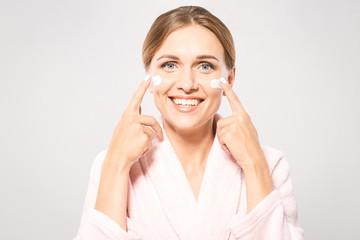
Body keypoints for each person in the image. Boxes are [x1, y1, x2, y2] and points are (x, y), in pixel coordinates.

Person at [74, 5, 304, 240]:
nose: (187, 83)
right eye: (170, 65)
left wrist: (255, 164)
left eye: (205, 66)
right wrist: (117, 163)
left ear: (230, 78)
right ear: (149, 78)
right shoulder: (111, 163)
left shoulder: (271, 164)